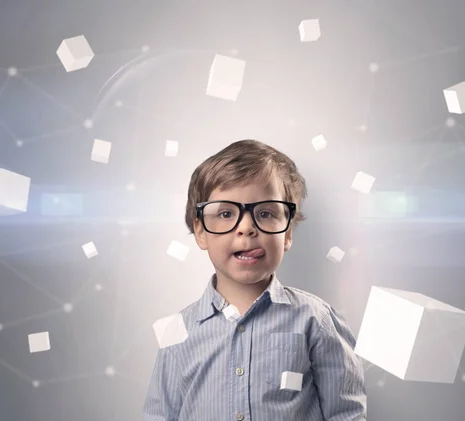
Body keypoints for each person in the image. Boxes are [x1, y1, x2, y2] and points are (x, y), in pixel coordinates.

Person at [142, 139, 367, 420]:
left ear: (287, 233)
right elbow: (160, 415)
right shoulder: (179, 331)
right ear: (200, 232)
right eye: (225, 213)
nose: (246, 228)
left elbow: (345, 414)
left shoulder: (316, 320)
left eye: (265, 213)